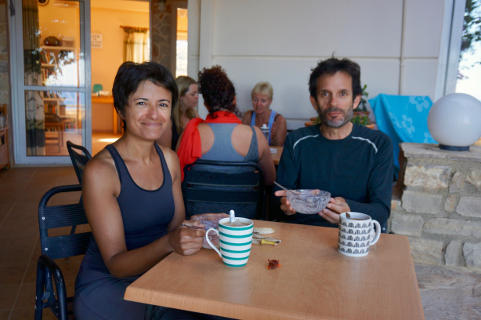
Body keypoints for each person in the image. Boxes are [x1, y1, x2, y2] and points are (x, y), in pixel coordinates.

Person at [74, 62, 207, 320]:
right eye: (142, 103)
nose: (154, 114)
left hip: (161, 273)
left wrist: (204, 225)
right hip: (110, 287)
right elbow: (116, 264)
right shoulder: (101, 172)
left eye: (163, 104)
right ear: (122, 108)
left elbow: (176, 228)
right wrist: (170, 242)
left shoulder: (169, 160)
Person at [274, 57, 393, 228]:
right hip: (302, 236)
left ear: (356, 100)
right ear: (314, 101)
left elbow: (381, 211)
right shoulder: (296, 141)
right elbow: (278, 197)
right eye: (325, 94)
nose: (333, 103)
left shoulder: (378, 145)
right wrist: (285, 206)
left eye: (342, 94)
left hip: (354, 241)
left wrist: (350, 212)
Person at [177, 65, 275, 185]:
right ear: (234, 100)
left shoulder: (189, 133)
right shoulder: (256, 136)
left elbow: (177, 176)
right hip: (243, 203)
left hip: (197, 203)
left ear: (206, 104)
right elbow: (270, 180)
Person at [156, 76, 199, 149]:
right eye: (193, 94)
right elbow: (165, 153)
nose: (197, 97)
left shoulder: (194, 115)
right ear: (180, 96)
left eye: (197, 93)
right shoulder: (167, 118)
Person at [241, 81, 287, 146]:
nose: (258, 104)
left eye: (263, 101)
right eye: (255, 100)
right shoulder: (248, 116)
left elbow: (279, 148)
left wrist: (273, 137)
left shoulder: (279, 120)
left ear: (270, 101)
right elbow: (241, 142)